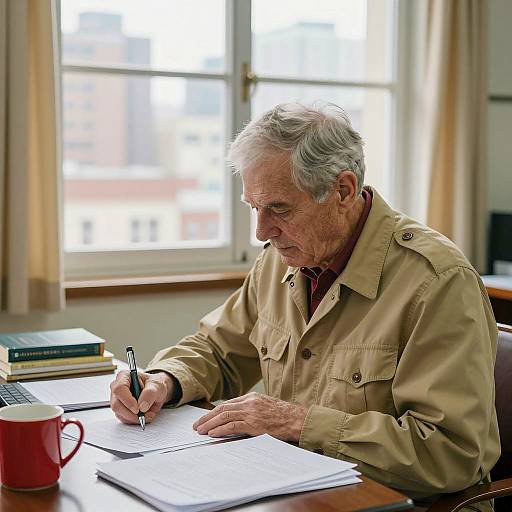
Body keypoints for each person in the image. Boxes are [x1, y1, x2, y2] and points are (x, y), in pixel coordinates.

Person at [110, 102, 499, 509]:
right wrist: (163, 379)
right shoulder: (282, 259)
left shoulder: (437, 281)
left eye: (279, 208)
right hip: (301, 492)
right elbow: (218, 351)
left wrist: (297, 423)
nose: (262, 231)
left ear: (344, 191)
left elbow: (450, 454)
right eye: (254, 208)